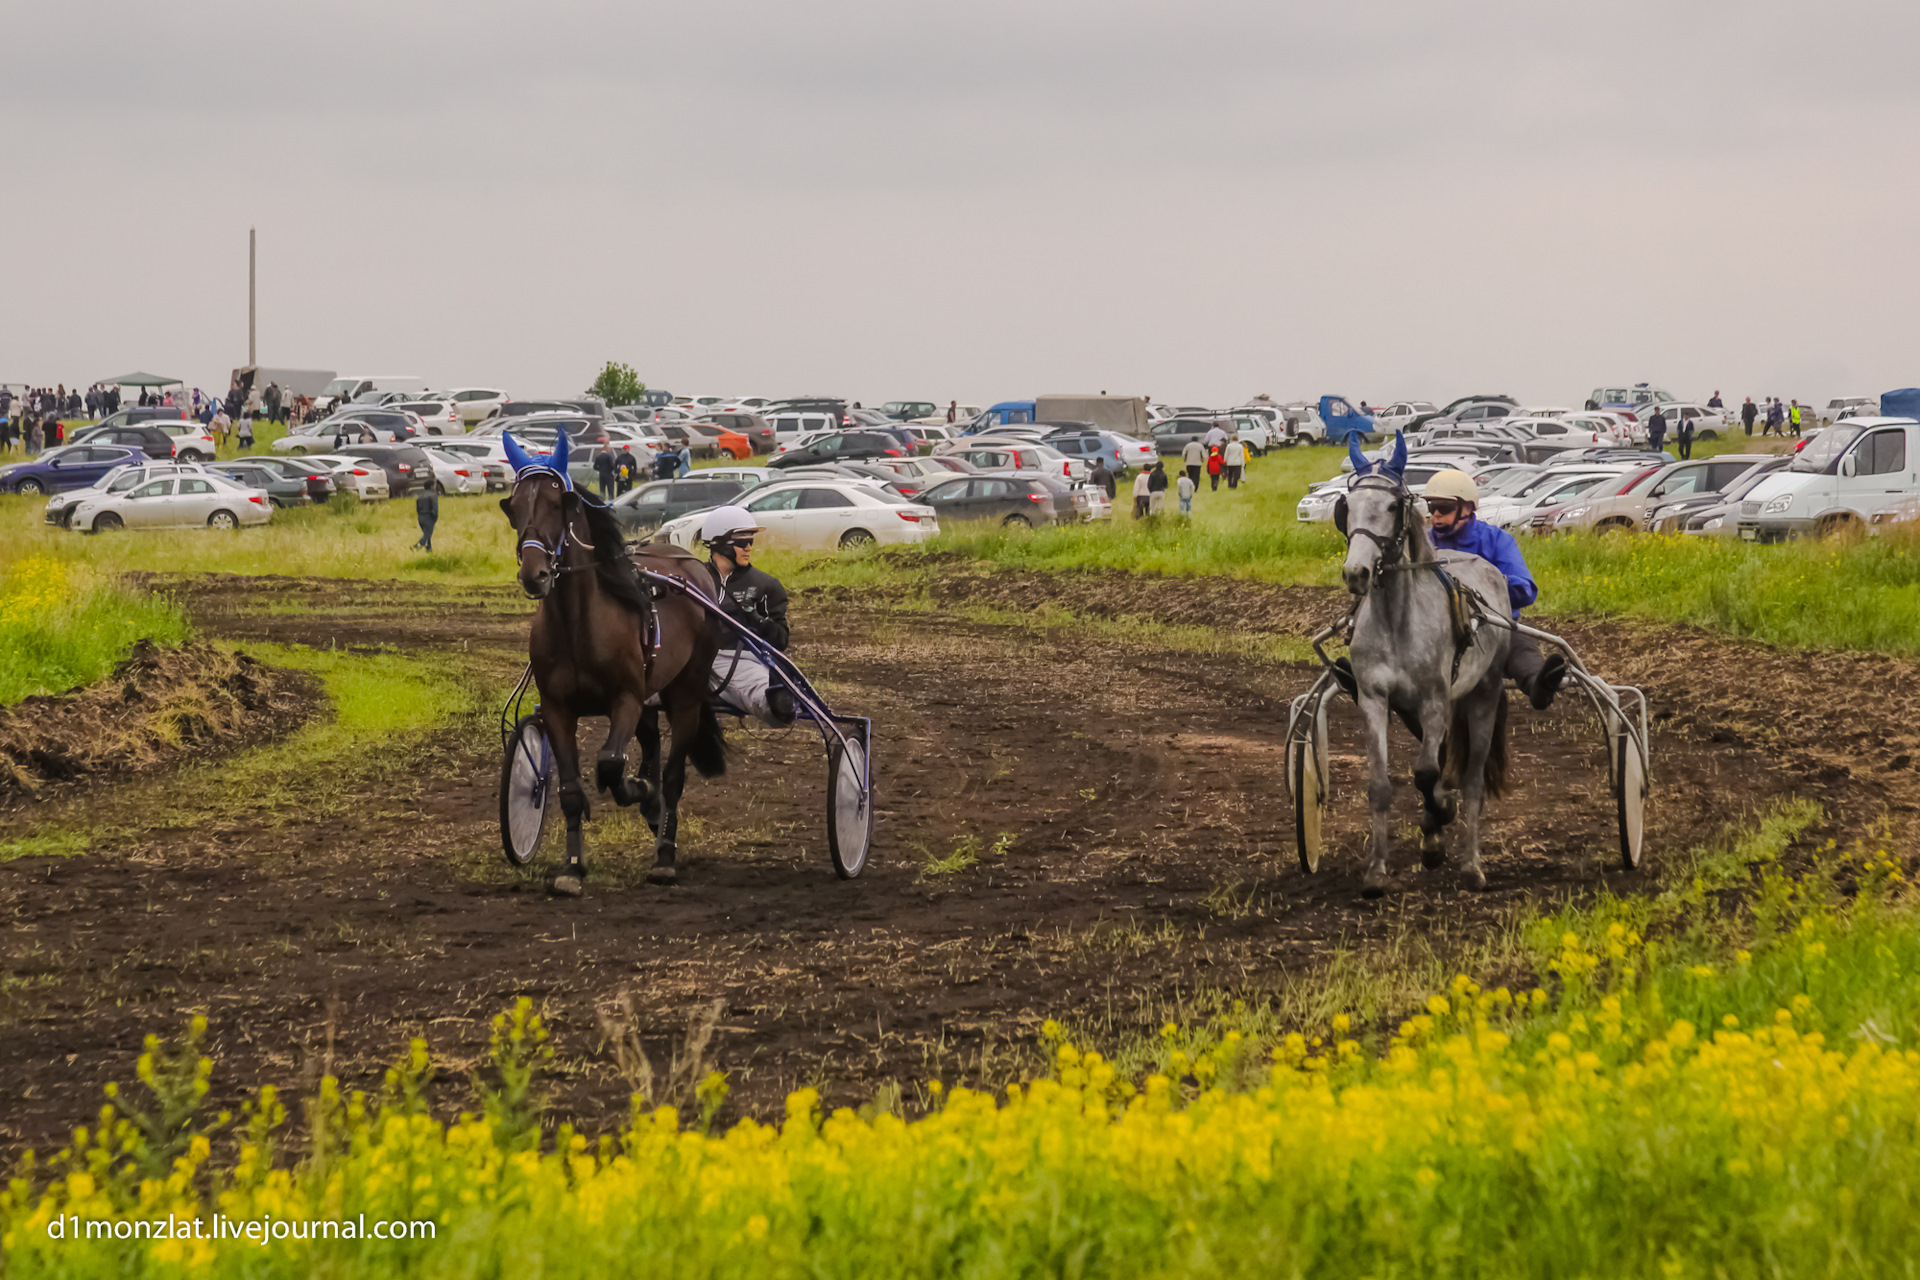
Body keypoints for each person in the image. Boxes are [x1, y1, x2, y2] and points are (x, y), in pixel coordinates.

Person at [1423, 470, 1565, 709]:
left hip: (1492, 626)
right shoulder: (1422, 544)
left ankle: (1538, 686)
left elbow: (1525, 590)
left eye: (1443, 508)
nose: (1435, 514)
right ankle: (1366, 681)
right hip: (1432, 631)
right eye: (1431, 507)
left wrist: (1482, 588)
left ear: (1467, 508)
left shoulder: (1497, 540)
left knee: (1519, 646)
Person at [698, 506, 796, 726]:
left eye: (751, 541)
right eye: (742, 542)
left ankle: (779, 702)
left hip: (741, 663)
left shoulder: (766, 585)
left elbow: (780, 640)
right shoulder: (693, 579)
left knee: (763, 696)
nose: (748, 547)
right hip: (694, 659)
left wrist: (757, 619)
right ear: (719, 543)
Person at [413, 482, 440, 551]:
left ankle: (429, 549)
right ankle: (416, 546)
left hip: (421, 518)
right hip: (429, 517)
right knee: (427, 534)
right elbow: (435, 508)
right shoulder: (433, 495)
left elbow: (417, 509)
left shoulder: (420, 496)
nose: (435, 487)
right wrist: (435, 518)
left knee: (427, 534)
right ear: (431, 486)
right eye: (434, 486)